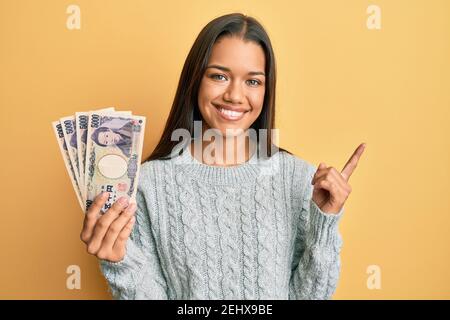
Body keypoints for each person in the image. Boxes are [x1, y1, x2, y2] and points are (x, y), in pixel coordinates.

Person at [80, 13, 365, 300]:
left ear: (267, 90)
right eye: (219, 76)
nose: (235, 95)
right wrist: (119, 263)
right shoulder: (148, 186)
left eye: (253, 82)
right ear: (195, 80)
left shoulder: (301, 180)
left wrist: (324, 222)